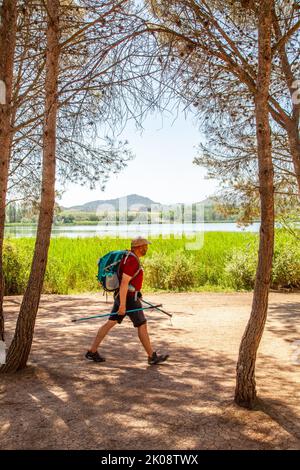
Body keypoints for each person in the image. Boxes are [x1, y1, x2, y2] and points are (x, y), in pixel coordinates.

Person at [86, 237, 169, 365]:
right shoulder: (132, 261)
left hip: (123, 296)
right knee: (142, 324)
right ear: (138, 247)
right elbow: (124, 283)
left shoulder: (128, 257)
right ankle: (151, 356)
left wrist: (136, 292)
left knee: (110, 322)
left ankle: (92, 351)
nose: (146, 248)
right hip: (128, 299)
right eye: (144, 246)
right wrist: (123, 305)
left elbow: (128, 281)